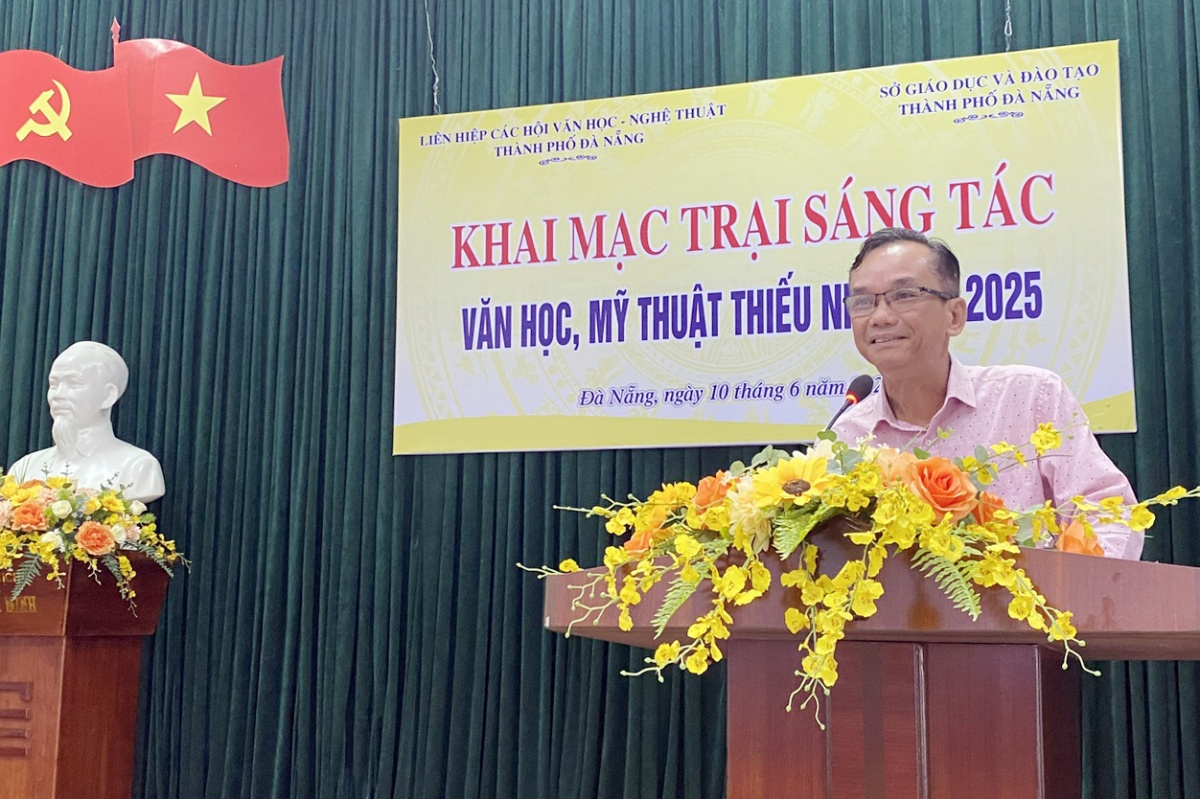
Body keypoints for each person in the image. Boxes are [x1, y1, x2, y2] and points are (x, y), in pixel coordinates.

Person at [831, 227, 1141, 560]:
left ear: (954, 316)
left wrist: (1070, 586)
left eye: (904, 295)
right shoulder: (848, 437)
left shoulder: (1030, 397)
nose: (880, 317)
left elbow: (1109, 513)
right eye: (863, 302)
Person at [7, 341, 165, 503]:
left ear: (108, 395)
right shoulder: (25, 467)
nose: (58, 395)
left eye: (74, 384)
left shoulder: (137, 467)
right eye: (54, 384)